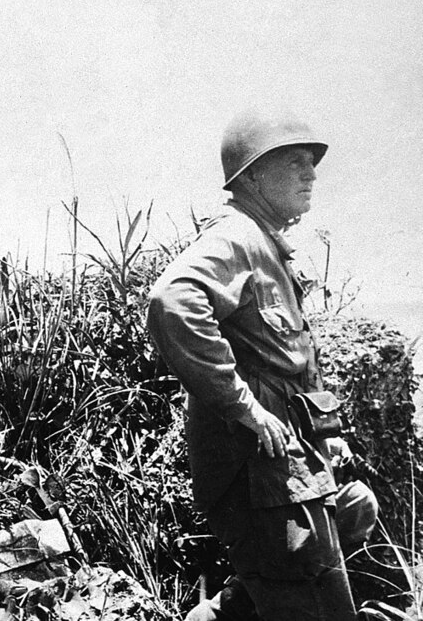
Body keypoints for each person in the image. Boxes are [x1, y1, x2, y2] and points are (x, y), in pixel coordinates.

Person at [147, 111, 377, 620]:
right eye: (294, 161)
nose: (310, 174)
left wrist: (325, 431)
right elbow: (173, 300)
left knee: (355, 510)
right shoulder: (235, 237)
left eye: (311, 164)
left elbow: (290, 360)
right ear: (250, 176)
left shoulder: (268, 245)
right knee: (316, 600)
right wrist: (243, 406)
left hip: (290, 460)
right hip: (261, 469)